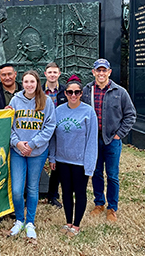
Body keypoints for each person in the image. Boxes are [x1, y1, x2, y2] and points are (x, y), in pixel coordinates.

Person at [81, 58, 136, 222]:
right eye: (98, 70)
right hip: (93, 140)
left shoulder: (120, 92)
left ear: (109, 72)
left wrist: (119, 134)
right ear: (94, 72)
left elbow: (130, 115)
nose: (101, 73)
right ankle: (99, 203)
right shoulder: (86, 91)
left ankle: (112, 208)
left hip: (112, 140)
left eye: (104, 70)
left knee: (112, 175)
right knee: (96, 173)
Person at [8, 70, 56, 240]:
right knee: (16, 189)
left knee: (32, 188)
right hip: (18, 151)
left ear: (37, 83)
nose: (29, 85)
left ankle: (30, 222)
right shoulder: (15, 100)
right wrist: (18, 143)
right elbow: (9, 125)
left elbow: (50, 126)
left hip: (37, 151)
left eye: (32, 82)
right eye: (26, 82)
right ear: (22, 83)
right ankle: (19, 220)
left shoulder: (46, 102)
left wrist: (32, 144)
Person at [49, 76, 97, 238]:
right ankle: (68, 222)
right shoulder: (58, 111)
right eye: (70, 92)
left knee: (80, 192)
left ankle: (76, 225)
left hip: (80, 162)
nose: (73, 95)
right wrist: (52, 157)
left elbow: (91, 141)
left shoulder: (89, 112)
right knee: (66, 192)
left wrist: (90, 165)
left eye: (77, 92)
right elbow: (53, 137)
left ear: (81, 93)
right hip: (62, 160)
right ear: (66, 93)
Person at [43, 62, 67, 209]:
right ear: (45, 74)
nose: (52, 75)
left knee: (56, 166)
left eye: (55, 72)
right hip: (41, 130)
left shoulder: (65, 91)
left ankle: (53, 195)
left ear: (59, 74)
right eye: (49, 72)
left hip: (59, 132)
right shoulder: (39, 91)